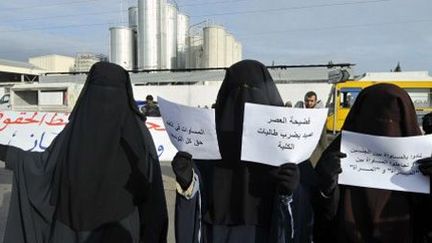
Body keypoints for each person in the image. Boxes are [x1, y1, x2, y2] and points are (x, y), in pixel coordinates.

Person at [1, 62, 168, 243]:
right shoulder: (139, 135)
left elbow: (41, 167)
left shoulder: (76, 130)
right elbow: (154, 201)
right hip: (112, 231)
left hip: (74, 230)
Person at [172, 60, 316, 243]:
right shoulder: (208, 142)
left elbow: (309, 210)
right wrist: (187, 181)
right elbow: (195, 197)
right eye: (236, 91)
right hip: (215, 232)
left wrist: (292, 190)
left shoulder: (289, 145)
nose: (243, 102)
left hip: (269, 231)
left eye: (253, 90)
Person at [313, 83, 432, 242]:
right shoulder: (335, 157)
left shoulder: (423, 164)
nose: (382, 128)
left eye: (391, 120)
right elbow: (317, 217)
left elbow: (425, 219)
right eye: (371, 120)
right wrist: (326, 188)